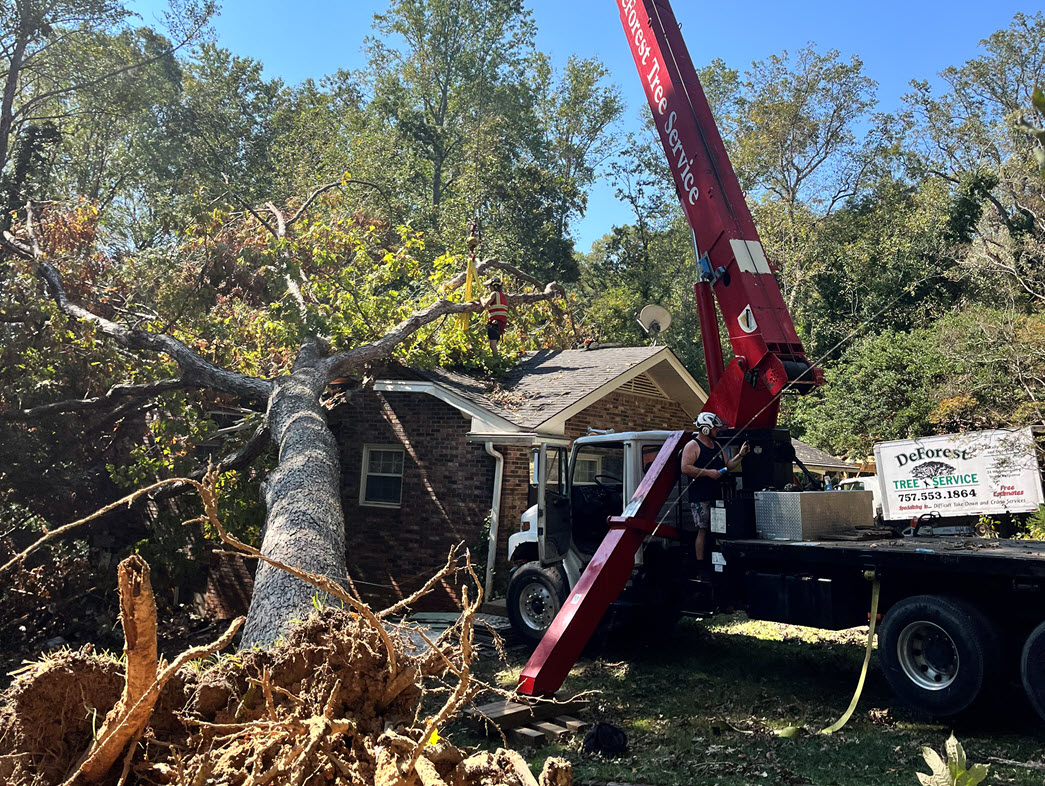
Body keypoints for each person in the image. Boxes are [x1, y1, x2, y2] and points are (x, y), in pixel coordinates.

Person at [680, 412, 750, 563]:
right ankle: (701, 563)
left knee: (719, 528)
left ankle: (717, 559)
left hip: (717, 495)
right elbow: (685, 468)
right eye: (715, 428)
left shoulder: (716, 445)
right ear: (706, 429)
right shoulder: (692, 446)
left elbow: (728, 466)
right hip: (700, 497)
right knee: (703, 529)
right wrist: (707, 473)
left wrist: (741, 455)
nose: (718, 431)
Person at [481, 278, 508, 356]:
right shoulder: (503, 295)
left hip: (495, 322)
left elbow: (484, 304)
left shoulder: (494, 294)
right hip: (501, 323)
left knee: (492, 345)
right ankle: (497, 360)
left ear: (493, 286)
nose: (489, 288)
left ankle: (496, 362)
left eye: (490, 286)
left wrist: (481, 298)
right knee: (494, 343)